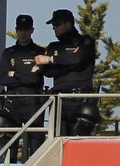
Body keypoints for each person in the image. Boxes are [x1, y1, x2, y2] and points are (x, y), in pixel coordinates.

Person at [36, 9, 98, 137]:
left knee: (80, 140)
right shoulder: (53, 46)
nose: (54, 28)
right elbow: (48, 71)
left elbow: (78, 58)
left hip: (82, 99)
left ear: (68, 24)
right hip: (60, 101)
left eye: (57, 24)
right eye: (53, 25)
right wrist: (70, 62)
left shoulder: (85, 41)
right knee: (58, 139)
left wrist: (52, 59)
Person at [0, 14, 46, 158]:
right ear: (16, 30)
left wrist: (15, 74)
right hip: (13, 101)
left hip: (33, 101)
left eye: (26, 29)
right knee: (11, 145)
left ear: (32, 30)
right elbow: (3, 79)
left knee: (35, 144)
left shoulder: (39, 52)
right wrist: (26, 75)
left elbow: (35, 79)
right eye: (20, 29)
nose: (23, 33)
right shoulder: (8, 53)